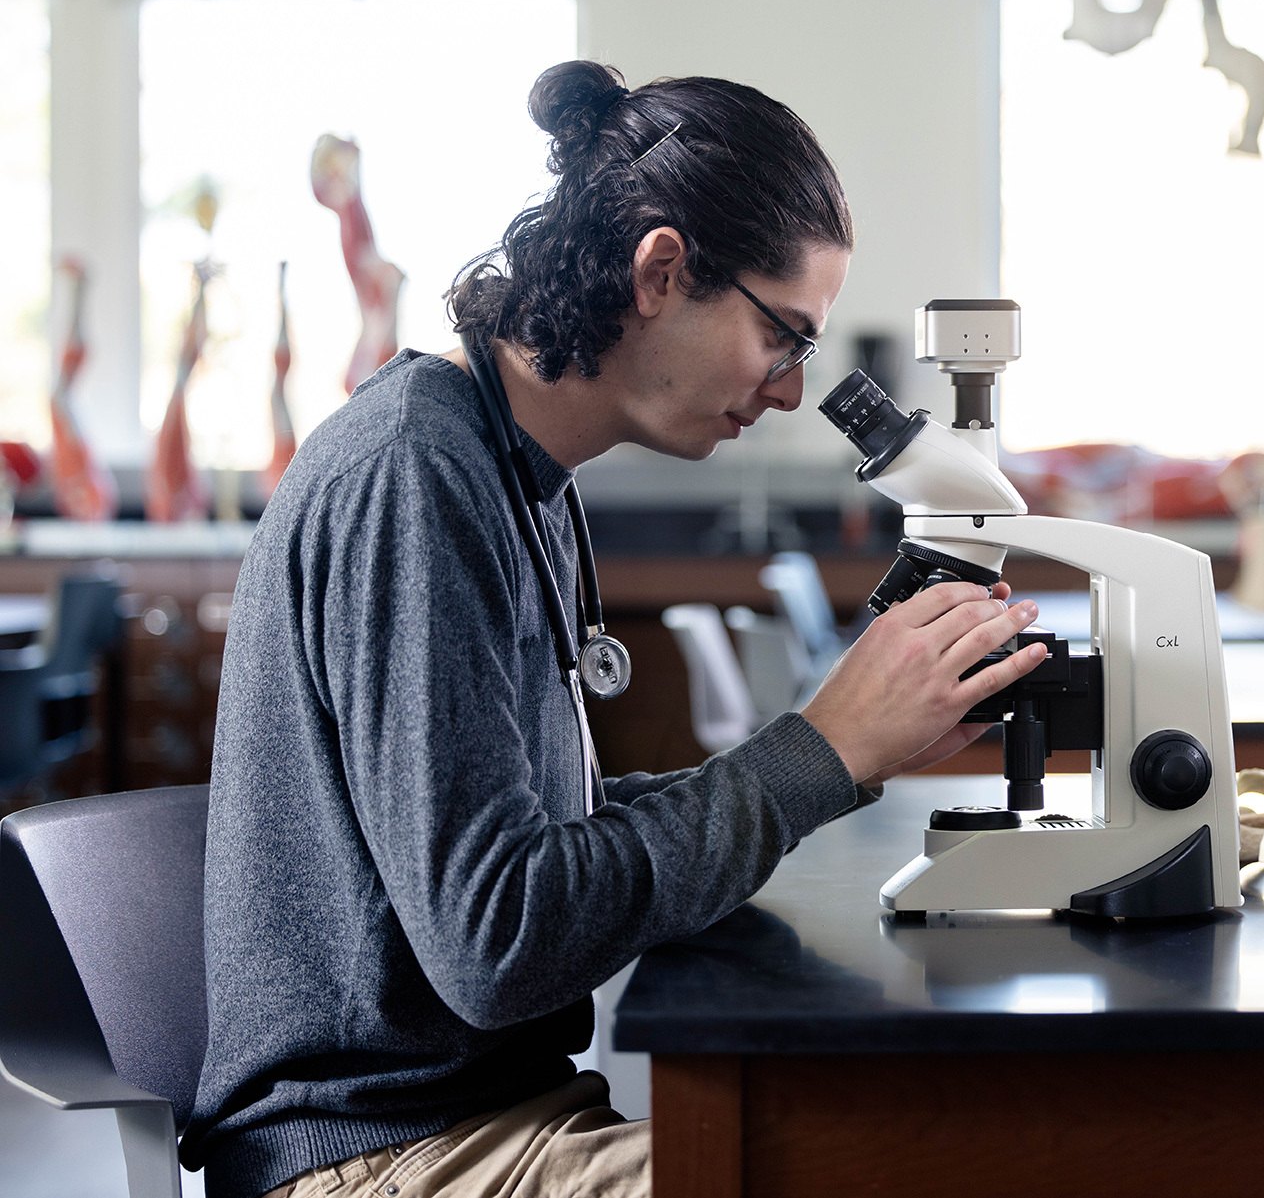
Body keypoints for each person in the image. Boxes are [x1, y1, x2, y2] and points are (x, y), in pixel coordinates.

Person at [182, 59, 1048, 1198]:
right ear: (661, 271)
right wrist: (818, 751)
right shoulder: (414, 472)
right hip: (376, 1157)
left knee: (938, 1139)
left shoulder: (515, 469)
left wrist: (850, 753)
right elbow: (498, 940)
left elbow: (553, 843)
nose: (792, 391)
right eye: (785, 338)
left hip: (494, 1113)